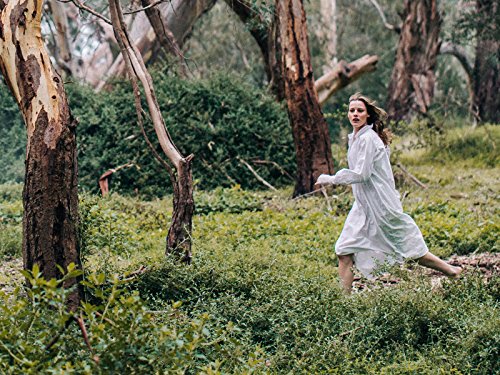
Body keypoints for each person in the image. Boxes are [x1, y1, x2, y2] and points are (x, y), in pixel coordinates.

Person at [315, 93, 462, 293]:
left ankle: (451, 271)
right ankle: (343, 303)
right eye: (352, 111)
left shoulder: (369, 139)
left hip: (381, 205)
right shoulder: (356, 138)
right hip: (363, 206)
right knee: (344, 250)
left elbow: (363, 174)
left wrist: (331, 179)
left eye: (360, 111)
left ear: (368, 115)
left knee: (408, 246)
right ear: (348, 115)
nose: (355, 114)